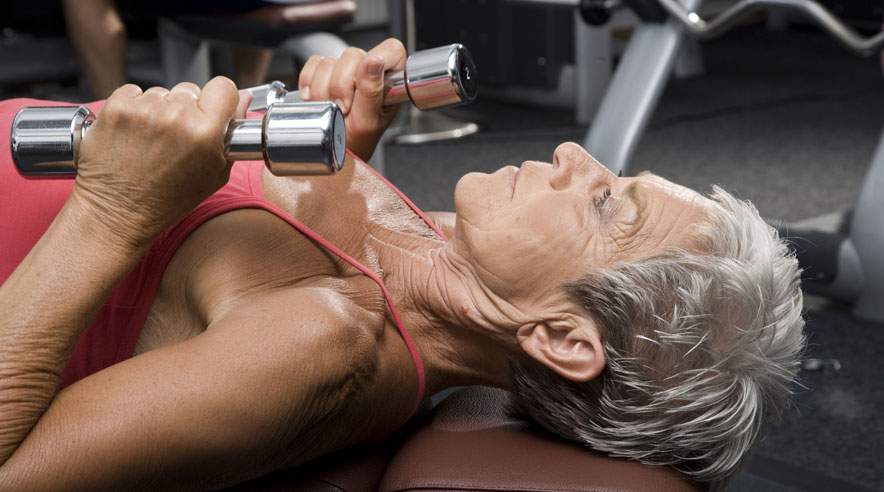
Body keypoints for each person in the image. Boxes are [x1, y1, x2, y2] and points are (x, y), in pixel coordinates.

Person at [0, 38, 804, 490]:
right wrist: (339, 156)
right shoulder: (437, 255)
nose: (574, 154)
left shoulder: (317, 343)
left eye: (605, 206)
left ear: (562, 338)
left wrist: (113, 211)